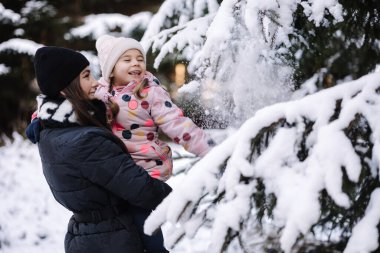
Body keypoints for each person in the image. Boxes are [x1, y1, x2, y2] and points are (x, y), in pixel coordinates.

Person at [25, 46, 172, 253]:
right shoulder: (86, 141)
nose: (95, 82)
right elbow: (141, 189)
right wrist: (181, 198)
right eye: (86, 76)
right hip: (115, 240)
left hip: (89, 236)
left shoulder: (48, 130)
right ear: (64, 88)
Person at [94, 35, 215, 252]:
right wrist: (42, 116)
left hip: (146, 171)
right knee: (122, 230)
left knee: (146, 228)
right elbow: (71, 102)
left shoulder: (149, 91)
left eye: (139, 58)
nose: (135, 63)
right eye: (127, 59)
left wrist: (209, 150)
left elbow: (175, 122)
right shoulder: (100, 91)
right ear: (110, 69)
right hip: (116, 172)